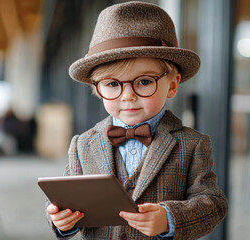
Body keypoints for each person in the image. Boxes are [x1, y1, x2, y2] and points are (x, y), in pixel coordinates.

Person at [46, 1, 228, 239]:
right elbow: (66, 201)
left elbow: (214, 204)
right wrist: (61, 220)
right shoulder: (82, 145)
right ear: (97, 88)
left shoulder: (192, 144)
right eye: (112, 84)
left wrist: (169, 218)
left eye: (143, 81)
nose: (128, 96)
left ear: (172, 85)